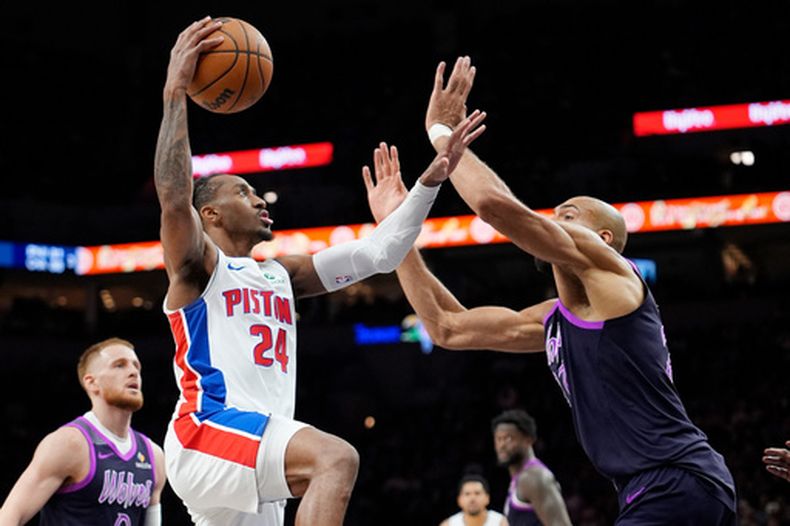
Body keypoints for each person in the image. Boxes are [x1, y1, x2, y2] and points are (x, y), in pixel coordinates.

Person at [364, 56, 737, 524]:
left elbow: (495, 207)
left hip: (676, 479)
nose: (555, 219)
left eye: (569, 215)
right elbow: (447, 328)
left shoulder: (614, 272)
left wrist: (442, 134)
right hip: (658, 487)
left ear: (601, 240)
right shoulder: (556, 318)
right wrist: (394, 232)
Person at [154, 17, 485, 526]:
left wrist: (429, 181)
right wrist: (175, 91)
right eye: (242, 192)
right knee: (337, 458)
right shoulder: (199, 268)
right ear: (210, 216)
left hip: (256, 446)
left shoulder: (281, 275)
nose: (259, 200)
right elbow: (175, 198)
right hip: (209, 430)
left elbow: (381, 254)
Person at [0, 338, 166, 526]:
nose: (133, 372)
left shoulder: (154, 455)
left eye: (137, 367)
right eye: (119, 365)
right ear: (91, 382)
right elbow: (10, 514)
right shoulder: (69, 443)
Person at [490, 410, 570, 526]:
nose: (502, 445)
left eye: (508, 438)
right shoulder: (519, 479)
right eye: (499, 439)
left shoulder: (534, 477)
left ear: (528, 439)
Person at [439, 474, 508, 526]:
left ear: (487, 498)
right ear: (459, 500)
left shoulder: (501, 522)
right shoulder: (449, 524)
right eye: (467, 494)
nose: (472, 498)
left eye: (477, 493)